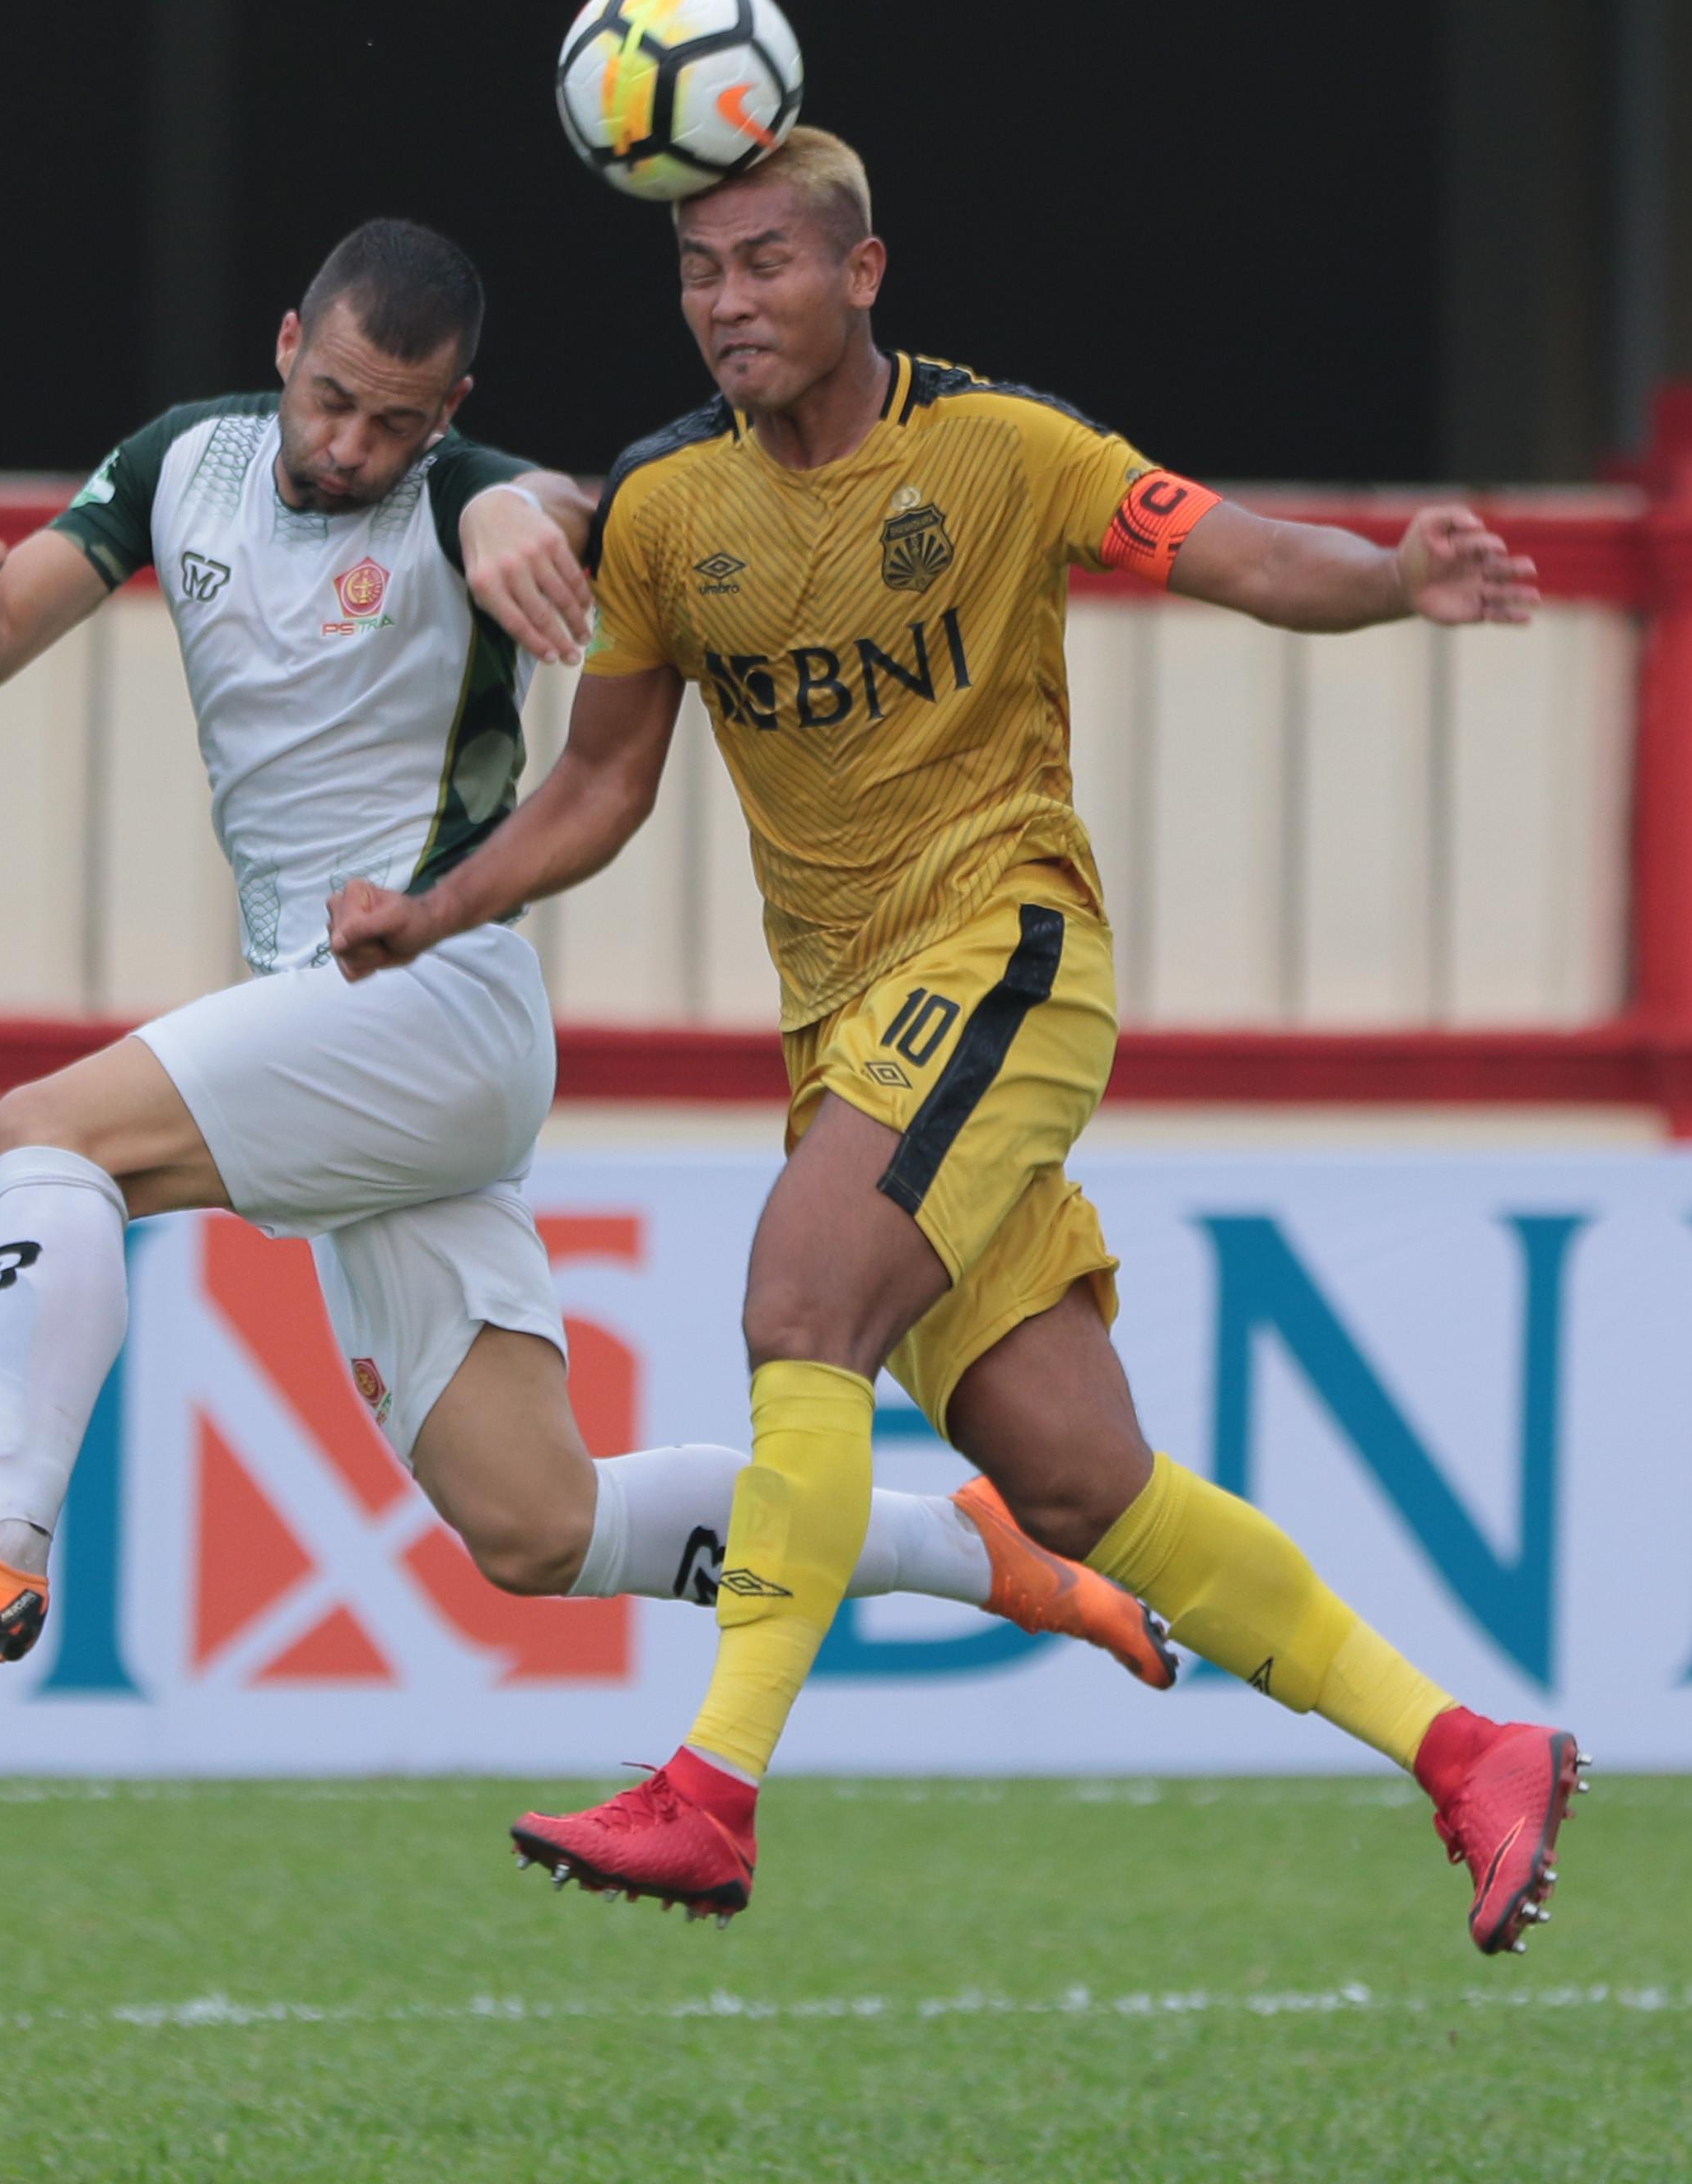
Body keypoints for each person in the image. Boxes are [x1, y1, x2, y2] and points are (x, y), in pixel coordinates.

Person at [329, 137, 1584, 1947]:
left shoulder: (1001, 447)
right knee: (1075, 1480)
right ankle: (1468, 1748)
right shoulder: (666, 505)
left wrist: (1394, 577)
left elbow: (1241, 553)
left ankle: (709, 1789)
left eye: (765, 261)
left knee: (798, 1304)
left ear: (862, 272)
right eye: (696, 268)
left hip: (1005, 953)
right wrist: (436, 906)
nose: (725, 301)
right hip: (851, 1033)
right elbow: (599, 784)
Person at [0, 217, 1172, 1695]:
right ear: (287, 346)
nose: (353, 447)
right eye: (333, 401)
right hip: (339, 1030)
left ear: (452, 412)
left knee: (49, 1131)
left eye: (399, 424)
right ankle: (976, 1550)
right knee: (536, 1525)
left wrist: (516, 505)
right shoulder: (180, 462)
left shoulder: (462, 495)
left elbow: (545, 505)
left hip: (430, 1003)